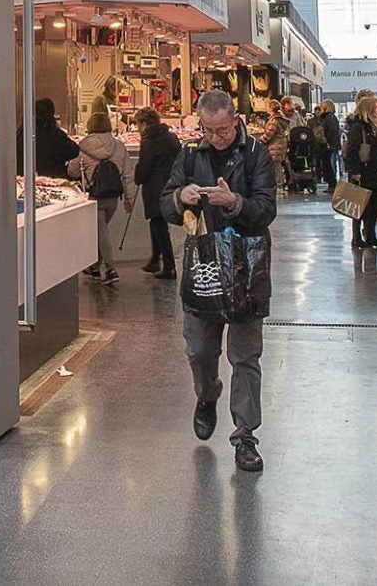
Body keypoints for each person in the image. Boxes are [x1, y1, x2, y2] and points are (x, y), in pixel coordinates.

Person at [160, 89, 278, 474]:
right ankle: (207, 393)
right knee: (198, 349)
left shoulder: (258, 153)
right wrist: (181, 197)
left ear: (236, 120)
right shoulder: (191, 154)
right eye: (208, 130)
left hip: (247, 266)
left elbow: (267, 208)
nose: (216, 137)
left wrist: (235, 203)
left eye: (222, 130)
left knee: (245, 356)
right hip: (204, 266)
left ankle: (245, 436)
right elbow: (164, 204)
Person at [77, 109, 130, 282]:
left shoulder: (84, 147)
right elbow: (128, 176)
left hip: (94, 196)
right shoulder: (120, 146)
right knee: (101, 232)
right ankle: (94, 267)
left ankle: (111, 269)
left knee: (101, 233)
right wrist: (129, 200)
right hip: (113, 198)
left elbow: (72, 169)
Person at [134, 108, 181, 279]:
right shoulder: (171, 137)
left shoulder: (148, 141)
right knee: (158, 223)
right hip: (170, 185)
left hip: (154, 187)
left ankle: (169, 266)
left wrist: (137, 177)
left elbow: (144, 166)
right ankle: (155, 260)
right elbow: (180, 159)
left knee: (158, 225)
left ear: (144, 123)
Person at [343, 91, 377, 250]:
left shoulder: (373, 127)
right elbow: (352, 151)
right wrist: (355, 170)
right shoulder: (358, 127)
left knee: (374, 203)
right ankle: (357, 237)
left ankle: (370, 235)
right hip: (364, 171)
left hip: (374, 169)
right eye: (376, 108)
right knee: (360, 204)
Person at [31, 98, 80, 180]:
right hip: (55, 178)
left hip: (26, 179)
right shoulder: (55, 134)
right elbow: (74, 151)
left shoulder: (24, 132)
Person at [312, 101, 341, 190]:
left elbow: (331, 130)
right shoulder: (330, 117)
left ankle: (332, 184)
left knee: (328, 165)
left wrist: (327, 140)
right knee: (327, 164)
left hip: (328, 145)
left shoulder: (328, 117)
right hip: (331, 144)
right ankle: (331, 184)